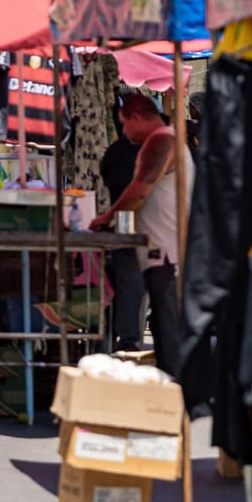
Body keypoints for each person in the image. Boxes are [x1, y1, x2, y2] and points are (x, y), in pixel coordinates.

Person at [92, 93, 193, 388]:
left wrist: (105, 218)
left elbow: (139, 190)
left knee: (170, 344)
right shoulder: (166, 138)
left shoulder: (162, 139)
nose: (123, 133)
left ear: (136, 116)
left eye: (124, 125)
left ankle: (176, 406)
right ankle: (173, 404)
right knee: (165, 339)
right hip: (164, 252)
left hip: (168, 255)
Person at [97, 117, 145, 353]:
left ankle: (122, 335)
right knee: (132, 278)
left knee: (126, 275)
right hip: (136, 219)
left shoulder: (117, 150)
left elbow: (106, 175)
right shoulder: (150, 147)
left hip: (121, 217)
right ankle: (128, 337)